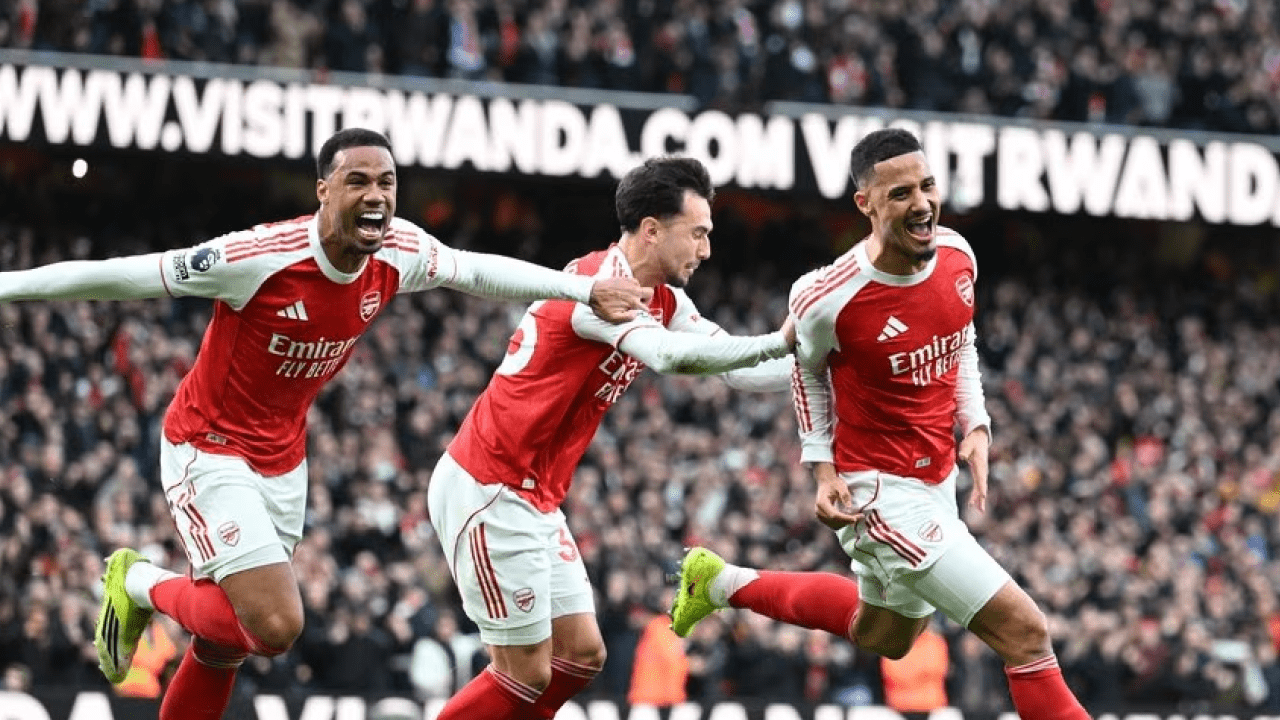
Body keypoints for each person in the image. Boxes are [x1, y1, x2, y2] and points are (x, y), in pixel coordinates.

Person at [0, 127, 647, 720]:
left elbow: (477, 269)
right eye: (358, 181)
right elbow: (124, 277)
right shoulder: (261, 256)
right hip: (208, 448)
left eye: (387, 182)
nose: (376, 195)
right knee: (275, 626)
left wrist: (581, 291)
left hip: (283, 460)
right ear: (322, 191)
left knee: (226, 640)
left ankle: (152, 594)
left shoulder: (398, 253)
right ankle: (137, 580)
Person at [669, 128, 1092, 720]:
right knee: (1025, 632)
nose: (921, 203)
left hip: (937, 480)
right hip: (878, 493)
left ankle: (718, 583)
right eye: (900, 194)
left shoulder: (957, 256)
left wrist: (975, 423)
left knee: (887, 636)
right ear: (866, 204)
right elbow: (806, 372)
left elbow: (960, 336)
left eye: (927, 186)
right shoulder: (829, 297)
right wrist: (821, 471)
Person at [426, 155, 795, 719]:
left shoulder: (664, 299)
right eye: (697, 233)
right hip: (489, 487)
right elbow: (672, 358)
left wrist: (825, 362)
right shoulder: (598, 290)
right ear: (652, 229)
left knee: (581, 654)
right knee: (524, 670)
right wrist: (780, 339)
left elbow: (736, 368)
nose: (707, 249)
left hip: (534, 497)